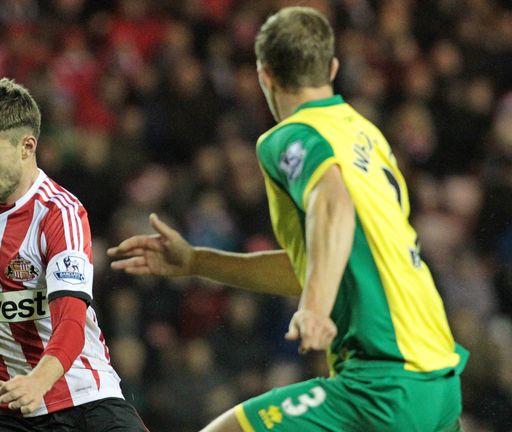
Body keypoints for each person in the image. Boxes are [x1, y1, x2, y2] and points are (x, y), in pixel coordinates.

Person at [108, 7, 467, 432]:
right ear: (333, 68)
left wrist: (314, 309)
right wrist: (196, 262)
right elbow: (314, 265)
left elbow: (332, 203)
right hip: (438, 377)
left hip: (384, 382)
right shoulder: (365, 134)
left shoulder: (292, 135)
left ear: (265, 75)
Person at [0, 78, 147, 432]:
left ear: (26, 146)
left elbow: (71, 320)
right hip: (0, 412)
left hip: (84, 398)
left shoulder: (60, 214)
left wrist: (38, 380)